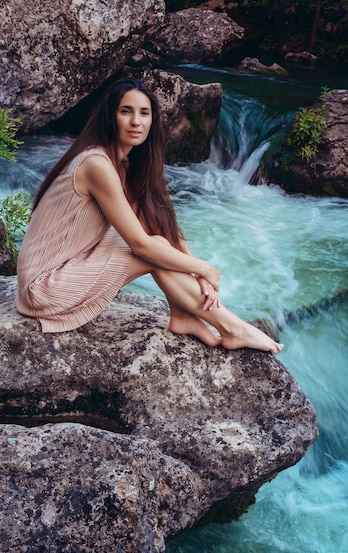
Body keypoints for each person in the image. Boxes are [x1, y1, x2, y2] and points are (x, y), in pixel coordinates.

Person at [17, 76, 283, 353]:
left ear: (153, 121)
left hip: (66, 267)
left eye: (144, 113)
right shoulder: (96, 164)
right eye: (126, 111)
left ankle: (183, 315)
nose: (136, 122)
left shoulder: (121, 163)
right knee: (151, 250)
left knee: (159, 239)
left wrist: (197, 267)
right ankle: (233, 328)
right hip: (44, 288)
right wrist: (204, 268)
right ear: (110, 117)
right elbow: (141, 245)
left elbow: (158, 225)